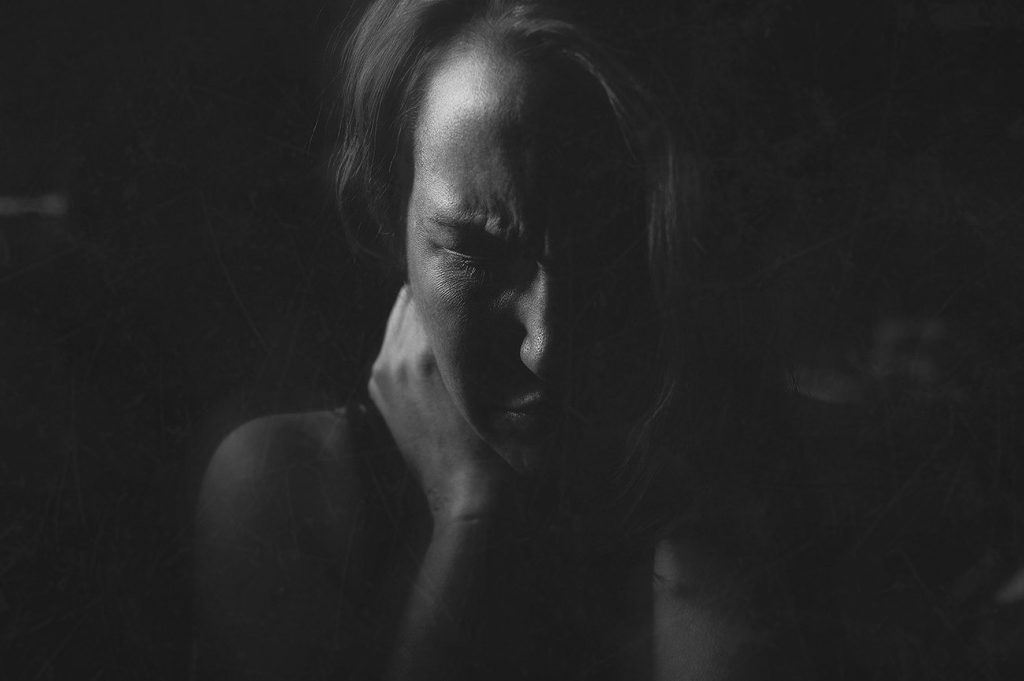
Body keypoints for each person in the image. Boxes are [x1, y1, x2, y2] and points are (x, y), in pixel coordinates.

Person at [192, 1, 736, 680]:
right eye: (473, 250)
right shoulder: (285, 487)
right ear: (392, 216)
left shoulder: (690, 486)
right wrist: (469, 513)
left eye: (598, 244)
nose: (546, 345)